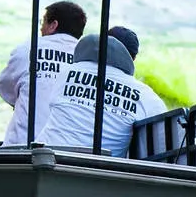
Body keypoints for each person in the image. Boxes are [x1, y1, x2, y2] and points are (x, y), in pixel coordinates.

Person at [37, 27, 165, 157]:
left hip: (45, 157)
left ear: (101, 44)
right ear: (134, 58)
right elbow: (162, 145)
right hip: (99, 170)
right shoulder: (146, 96)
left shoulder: (66, 72)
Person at [0, 0, 86, 145]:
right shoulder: (87, 60)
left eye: (43, 22)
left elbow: (5, 88)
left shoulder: (27, 49)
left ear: (53, 25)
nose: (41, 28)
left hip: (21, 148)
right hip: (69, 151)